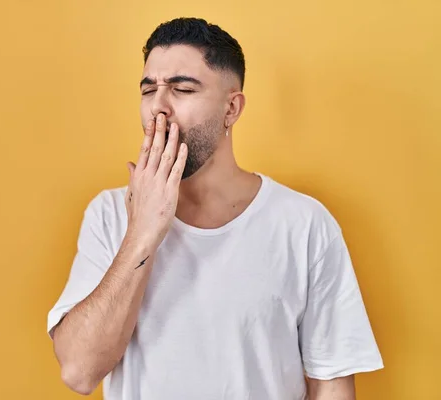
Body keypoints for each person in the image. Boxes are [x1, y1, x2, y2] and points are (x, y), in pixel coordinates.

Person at [47, 17, 383, 400]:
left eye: (182, 89)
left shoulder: (303, 223)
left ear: (231, 108)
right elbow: (78, 371)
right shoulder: (108, 215)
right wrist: (142, 233)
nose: (158, 107)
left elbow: (331, 383)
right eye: (148, 89)